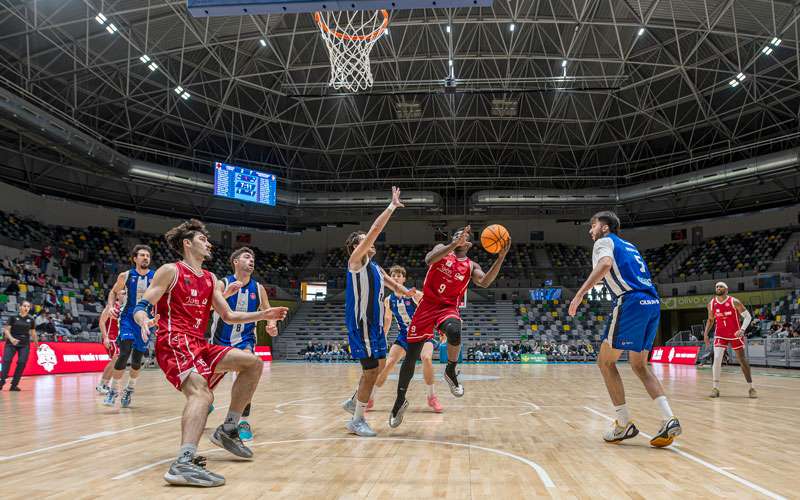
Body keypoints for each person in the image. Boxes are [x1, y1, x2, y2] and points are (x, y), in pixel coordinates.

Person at [132, 219, 288, 487]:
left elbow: (227, 315)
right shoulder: (171, 271)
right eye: (203, 240)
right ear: (187, 243)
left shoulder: (210, 278)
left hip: (199, 343)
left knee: (252, 364)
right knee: (201, 393)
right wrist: (143, 320)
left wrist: (263, 315)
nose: (208, 243)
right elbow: (143, 304)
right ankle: (184, 461)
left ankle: (228, 429)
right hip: (174, 340)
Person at [568, 211, 680, 448]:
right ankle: (669, 418)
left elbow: (606, 264)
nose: (591, 230)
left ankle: (623, 423)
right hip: (652, 302)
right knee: (640, 365)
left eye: (593, 225)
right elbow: (612, 271)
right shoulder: (629, 246)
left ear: (605, 227)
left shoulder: (603, 242)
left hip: (631, 301)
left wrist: (579, 294)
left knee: (605, 362)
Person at [389, 225, 509, 428]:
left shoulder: (470, 266)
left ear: (469, 244)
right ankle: (399, 401)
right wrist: (453, 244)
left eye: (465, 236)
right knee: (411, 357)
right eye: (457, 235)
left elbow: (485, 282)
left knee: (455, 331)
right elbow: (429, 259)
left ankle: (450, 370)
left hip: (447, 308)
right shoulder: (441, 250)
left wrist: (500, 257)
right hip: (426, 305)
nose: (462, 238)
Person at [340, 187, 417, 437]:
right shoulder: (355, 261)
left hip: (373, 327)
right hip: (361, 323)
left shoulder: (375, 267)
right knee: (372, 371)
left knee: (380, 364)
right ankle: (357, 418)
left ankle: (355, 399)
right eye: (362, 239)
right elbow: (375, 231)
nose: (368, 241)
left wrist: (411, 294)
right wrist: (392, 206)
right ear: (355, 246)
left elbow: (394, 286)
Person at [209, 247, 279, 442]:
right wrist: (226, 295)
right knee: (207, 385)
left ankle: (242, 421)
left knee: (247, 373)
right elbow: (210, 307)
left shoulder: (258, 288)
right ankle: (207, 402)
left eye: (253, 258)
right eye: (247, 257)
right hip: (219, 341)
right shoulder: (222, 283)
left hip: (245, 340)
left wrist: (271, 325)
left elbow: (268, 311)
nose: (251, 260)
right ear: (235, 262)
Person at [374, 266, 442, 413]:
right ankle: (371, 397)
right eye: (393, 275)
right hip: (404, 336)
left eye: (399, 275)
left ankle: (432, 396)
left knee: (426, 358)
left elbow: (432, 311)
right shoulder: (388, 300)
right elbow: (387, 320)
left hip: (423, 333)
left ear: (404, 279)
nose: (396, 278)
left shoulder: (414, 294)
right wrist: (382, 338)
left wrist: (441, 328)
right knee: (389, 363)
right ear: (390, 279)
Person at [103, 245, 154, 408]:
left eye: (148, 256)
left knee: (137, 359)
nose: (145, 258)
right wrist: (111, 306)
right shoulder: (126, 275)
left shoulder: (156, 276)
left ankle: (129, 389)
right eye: (142, 255)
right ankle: (113, 390)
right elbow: (112, 292)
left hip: (146, 319)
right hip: (128, 317)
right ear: (135, 259)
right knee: (124, 353)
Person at [702, 282, 756, 399]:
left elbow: (748, 316)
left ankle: (751, 387)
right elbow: (710, 320)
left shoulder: (734, 301)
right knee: (716, 359)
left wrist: (742, 330)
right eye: (716, 286)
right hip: (720, 334)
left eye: (720, 286)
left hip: (735, 333)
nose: (718, 288)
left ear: (726, 290)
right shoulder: (711, 303)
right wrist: (706, 334)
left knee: (742, 360)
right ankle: (715, 388)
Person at [0, 300, 37, 391]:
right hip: (11, 343)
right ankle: (2, 381)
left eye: (28, 307)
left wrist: (36, 343)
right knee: (6, 361)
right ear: (20, 307)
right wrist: (12, 339)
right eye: (24, 306)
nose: (26, 308)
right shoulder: (13, 317)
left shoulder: (31, 319)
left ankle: (14, 385)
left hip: (24, 344)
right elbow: (6, 330)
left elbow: (33, 332)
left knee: (21, 363)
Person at [96, 289, 125, 394]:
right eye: (123, 293)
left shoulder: (124, 308)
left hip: (119, 338)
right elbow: (101, 322)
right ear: (117, 296)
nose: (125, 295)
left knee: (116, 361)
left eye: (125, 293)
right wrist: (105, 337)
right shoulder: (111, 307)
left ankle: (104, 384)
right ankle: (102, 384)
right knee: (115, 360)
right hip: (111, 337)